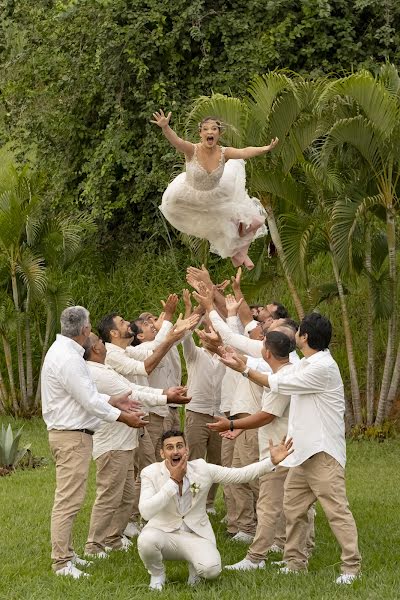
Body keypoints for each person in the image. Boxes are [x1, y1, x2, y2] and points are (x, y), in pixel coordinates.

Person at [218, 312, 362, 584]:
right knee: (293, 509)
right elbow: (280, 370)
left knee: (337, 511)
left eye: (299, 331)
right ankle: (295, 562)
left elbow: (278, 381)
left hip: (322, 454)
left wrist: (244, 369)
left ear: (304, 337)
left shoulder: (322, 368)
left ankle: (351, 568)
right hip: (300, 453)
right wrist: (241, 361)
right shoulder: (308, 363)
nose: (294, 334)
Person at [41, 306, 147, 579]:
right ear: (86, 331)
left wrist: (113, 401)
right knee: (68, 501)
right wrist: (124, 417)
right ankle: (61, 562)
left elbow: (85, 395)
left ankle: (68, 554)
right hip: (71, 436)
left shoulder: (67, 353)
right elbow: (88, 401)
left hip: (74, 434)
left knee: (71, 499)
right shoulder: (68, 358)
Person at [207, 329, 314, 570]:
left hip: (280, 453)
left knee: (268, 506)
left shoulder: (282, 379)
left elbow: (266, 416)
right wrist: (221, 350)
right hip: (286, 451)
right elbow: (248, 366)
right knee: (291, 506)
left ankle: (257, 558)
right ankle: (296, 552)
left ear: (267, 352)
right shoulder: (282, 370)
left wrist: (232, 423)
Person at [137, 429, 294, 590]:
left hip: (196, 534)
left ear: (187, 450)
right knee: (146, 540)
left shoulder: (202, 469)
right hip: (163, 534)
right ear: (162, 453)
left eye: (179, 446)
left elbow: (240, 475)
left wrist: (271, 462)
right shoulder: (150, 473)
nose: (175, 451)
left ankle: (195, 569)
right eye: (170, 448)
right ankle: (157, 575)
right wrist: (173, 481)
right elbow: (146, 512)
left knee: (211, 570)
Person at [82, 333, 190, 557]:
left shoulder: (104, 369)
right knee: (109, 496)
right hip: (112, 444)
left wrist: (164, 393)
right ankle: (94, 547)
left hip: (125, 442)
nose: (104, 344)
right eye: (101, 342)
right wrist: (166, 397)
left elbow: (132, 386)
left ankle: (113, 539)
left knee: (127, 496)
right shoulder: (94, 372)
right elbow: (133, 393)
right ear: (95, 348)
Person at [152, 110, 279, 269]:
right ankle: (238, 254)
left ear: (219, 133)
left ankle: (239, 254)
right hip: (188, 194)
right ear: (200, 133)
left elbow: (244, 152)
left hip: (214, 193)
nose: (209, 132)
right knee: (211, 225)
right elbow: (177, 141)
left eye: (214, 129)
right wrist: (165, 127)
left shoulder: (224, 153)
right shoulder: (192, 150)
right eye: (205, 129)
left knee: (247, 221)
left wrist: (265, 148)